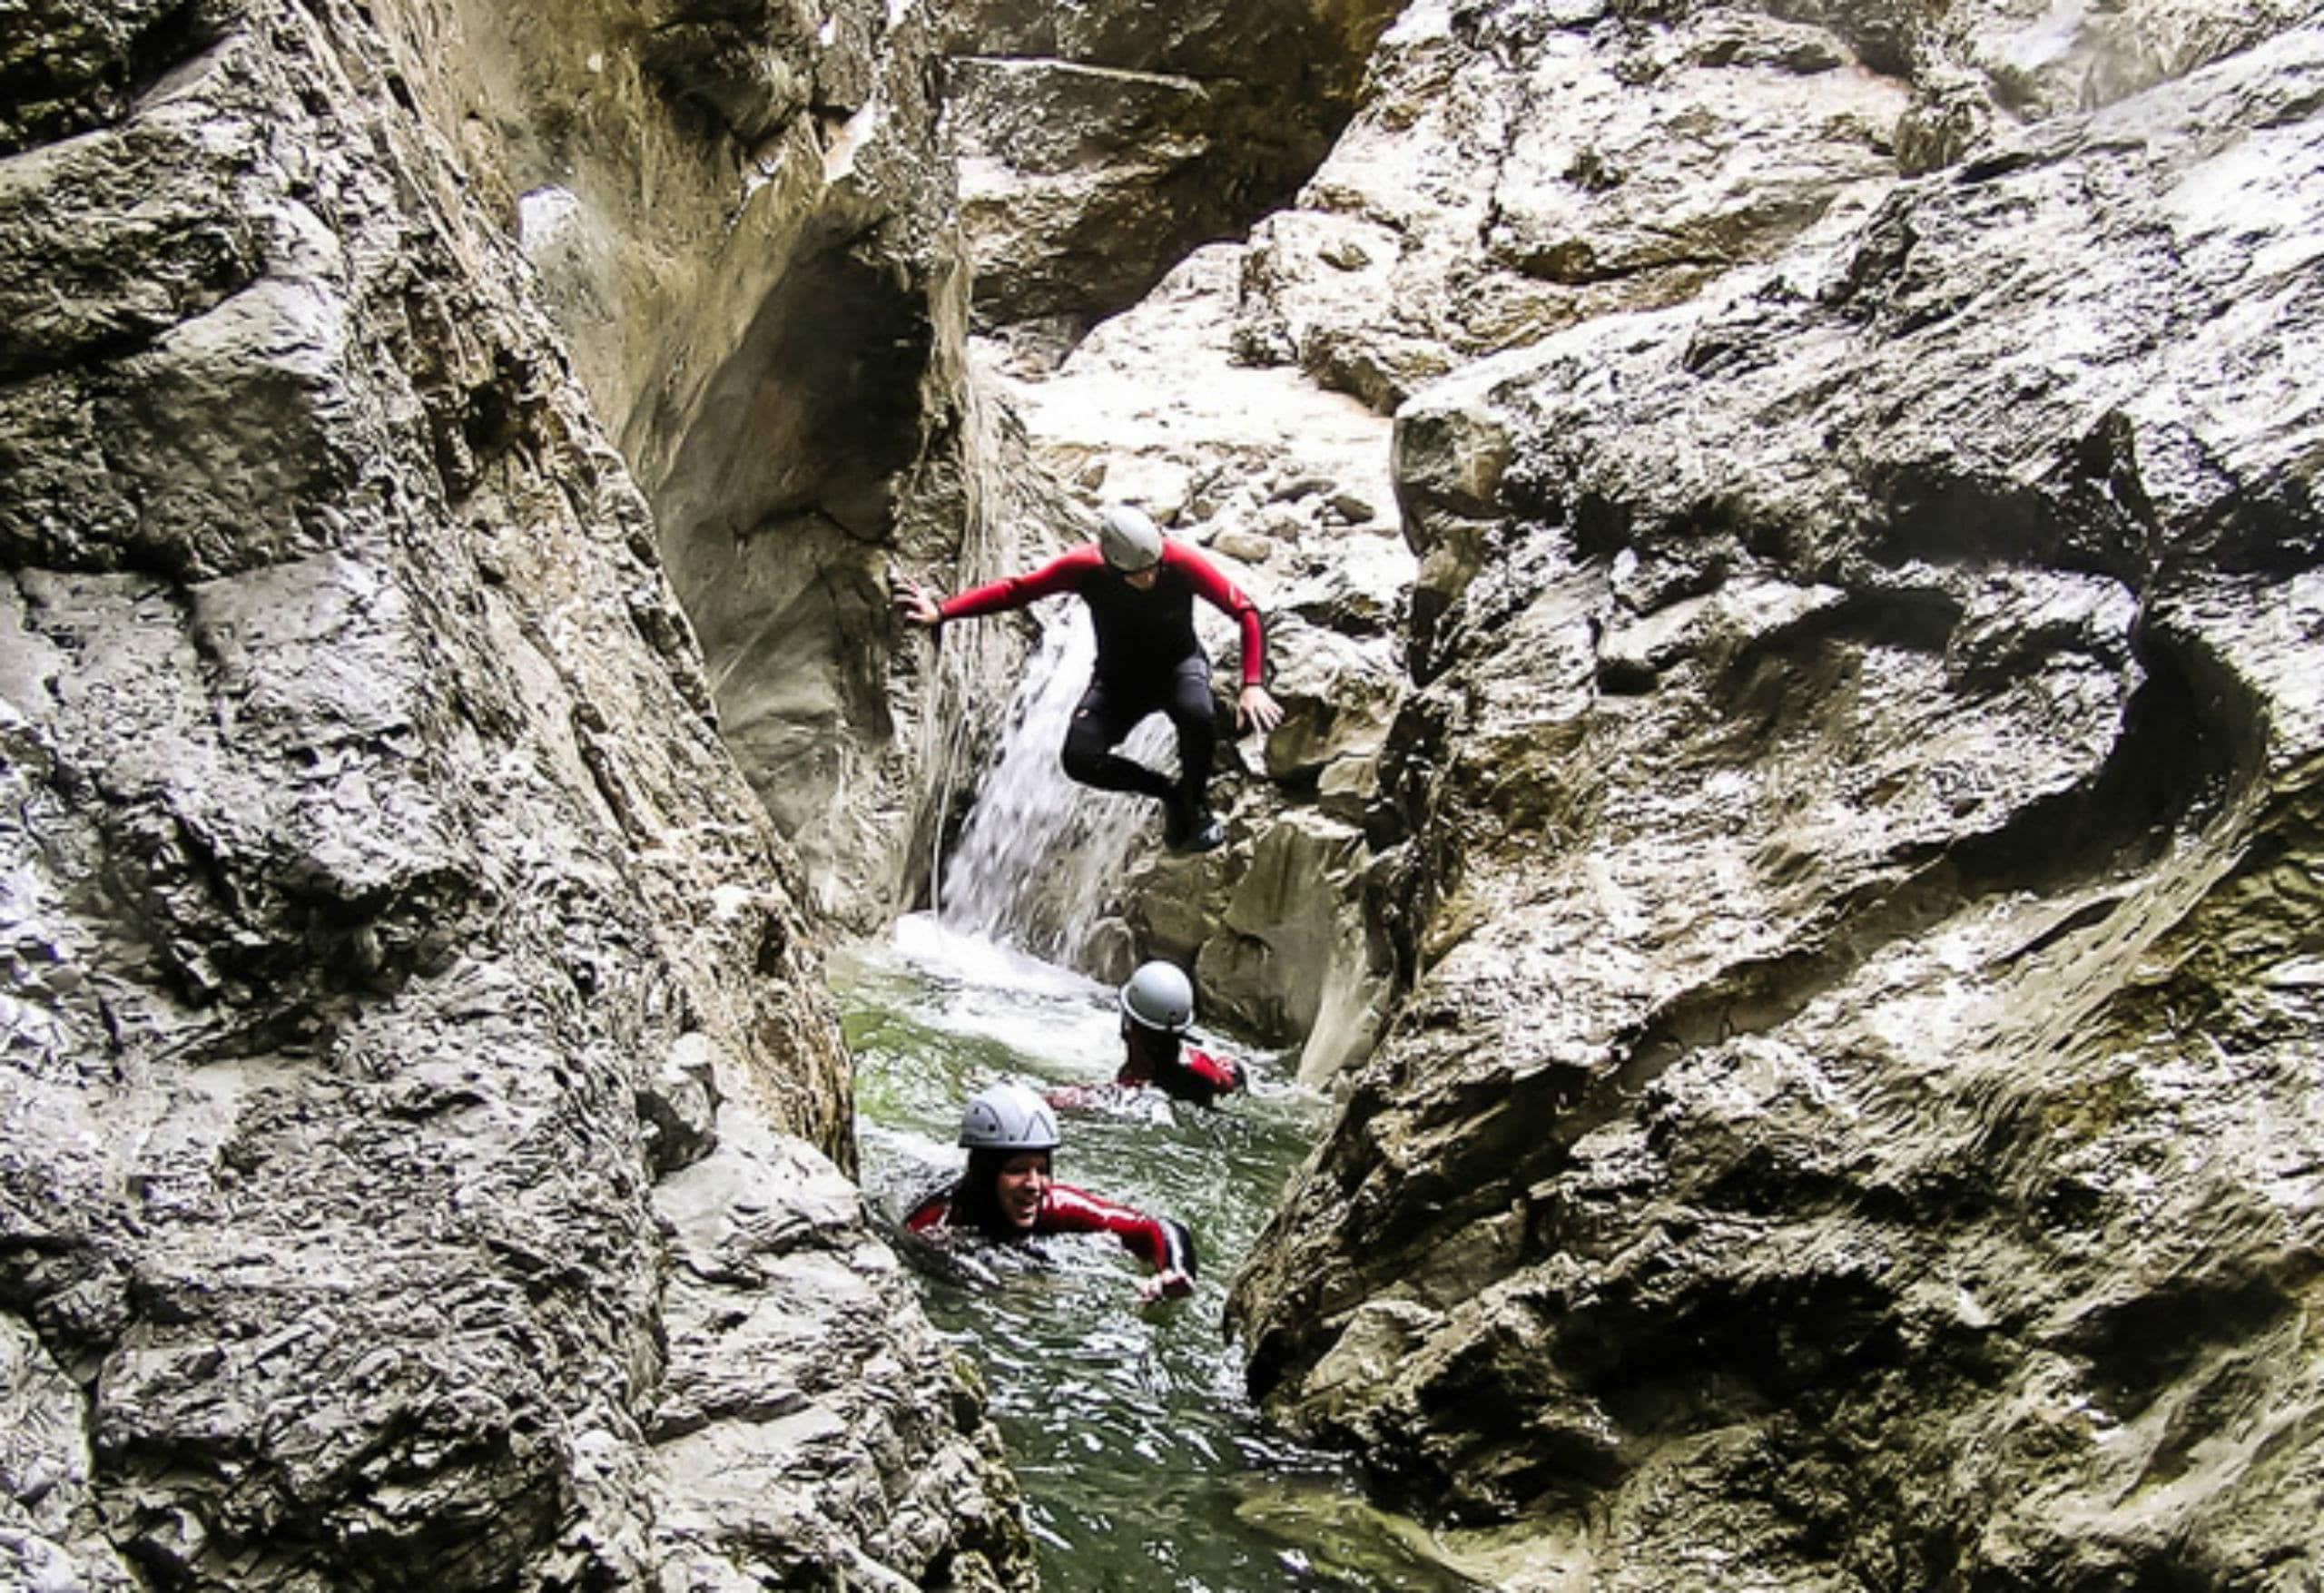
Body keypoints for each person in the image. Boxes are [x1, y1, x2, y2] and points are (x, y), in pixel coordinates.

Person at [893, 505, 1283, 852]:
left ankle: (1194, 804)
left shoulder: (1178, 561)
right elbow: (1017, 590)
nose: (1149, 578)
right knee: (1078, 759)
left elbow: (1246, 611)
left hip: (1179, 666)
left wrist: (1252, 683)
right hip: (1118, 680)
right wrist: (943, 611)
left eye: (1153, 570)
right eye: (1137, 574)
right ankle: (1167, 792)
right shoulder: (1084, 568)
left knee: (1197, 715)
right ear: (1112, 565)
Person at [906, 1082, 1196, 1302]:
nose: (1034, 1185)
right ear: (985, 1174)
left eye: (1042, 1169)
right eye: (1017, 1170)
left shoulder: (1056, 1204)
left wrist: (1174, 1272)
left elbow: (1156, 1227)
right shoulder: (936, 1222)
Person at [1052, 960, 1245, 1110]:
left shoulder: (1121, 1095)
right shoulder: (1203, 1073)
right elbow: (1232, 1073)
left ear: (1128, 1024)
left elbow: (1065, 1101)